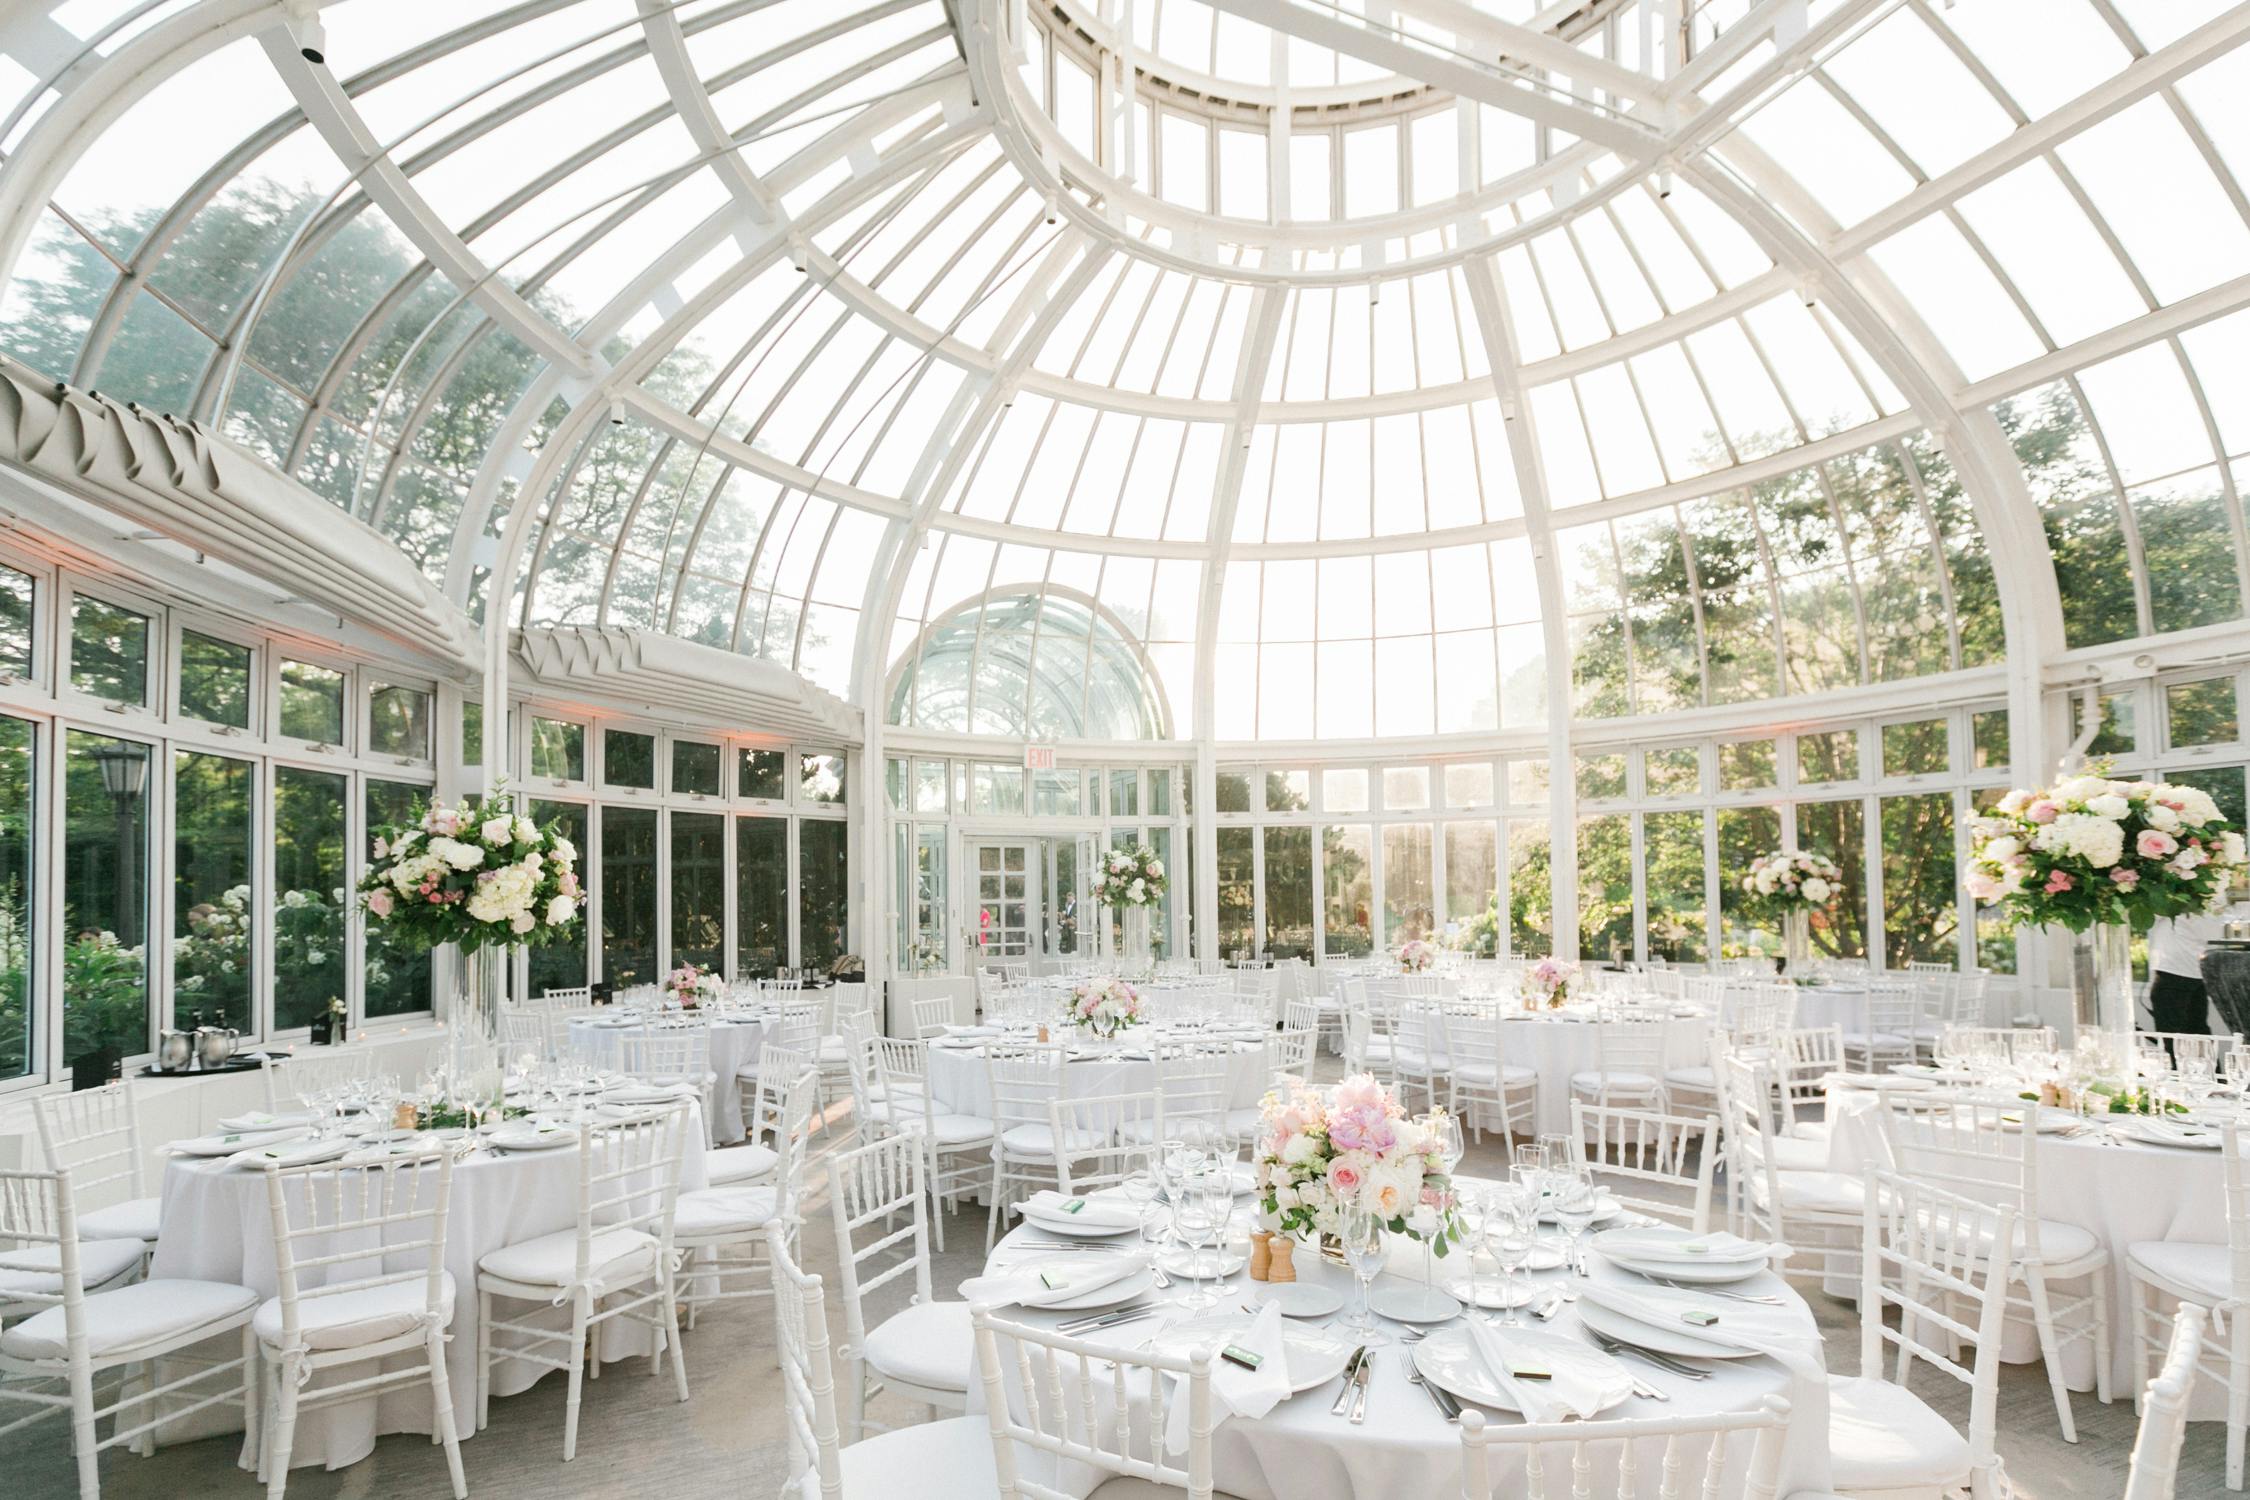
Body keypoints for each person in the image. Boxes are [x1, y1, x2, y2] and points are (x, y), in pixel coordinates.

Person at [2147, 894, 2250, 1035]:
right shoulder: (2186, 910)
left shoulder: (2179, 909)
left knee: (2181, 1034)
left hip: (2179, 974)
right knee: (2194, 1033)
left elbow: (2212, 932)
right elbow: (2214, 931)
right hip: (2181, 973)